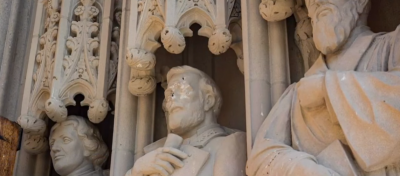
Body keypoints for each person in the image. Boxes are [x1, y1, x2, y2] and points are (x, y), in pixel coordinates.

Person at [247, 0, 400, 175]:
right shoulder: (297, 93)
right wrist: (308, 171)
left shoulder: (391, 46)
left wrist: (326, 88)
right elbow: (260, 158)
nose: (316, 3)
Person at [126, 66, 246, 176]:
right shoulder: (150, 157)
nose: (172, 99)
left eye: (183, 90)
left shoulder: (228, 145)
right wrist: (136, 171)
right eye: (170, 95)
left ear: (208, 100)